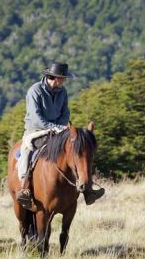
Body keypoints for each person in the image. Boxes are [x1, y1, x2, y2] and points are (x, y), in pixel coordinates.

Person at [16, 62, 103, 208]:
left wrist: (61, 127)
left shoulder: (62, 92)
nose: (64, 81)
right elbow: (36, 117)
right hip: (36, 130)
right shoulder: (35, 91)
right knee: (28, 151)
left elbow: (65, 113)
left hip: (58, 130)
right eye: (63, 78)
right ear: (56, 78)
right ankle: (24, 189)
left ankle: (87, 189)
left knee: (75, 152)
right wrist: (54, 127)